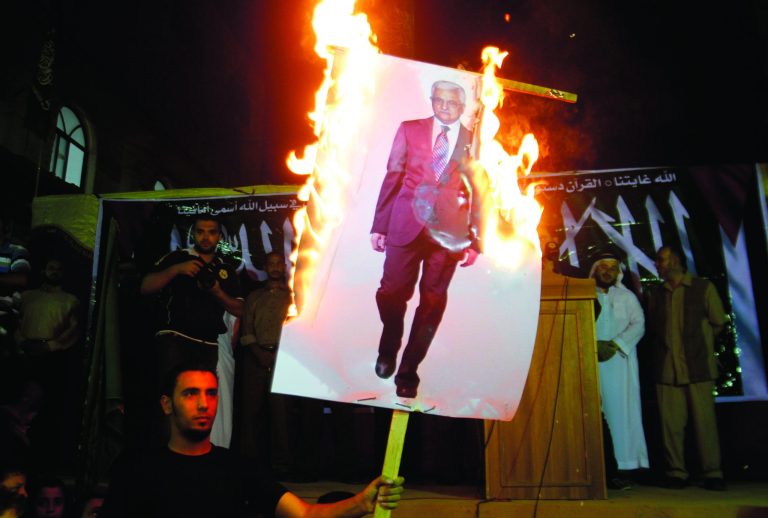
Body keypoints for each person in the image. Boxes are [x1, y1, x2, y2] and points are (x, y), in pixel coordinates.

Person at [100, 364, 404, 517]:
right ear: (167, 404)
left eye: (211, 393)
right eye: (191, 394)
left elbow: (305, 514)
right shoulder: (136, 469)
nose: (204, 404)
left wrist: (362, 502)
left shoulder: (238, 468)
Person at [370, 80, 481, 398]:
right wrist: (380, 226)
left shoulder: (474, 140)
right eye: (439, 100)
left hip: (448, 234)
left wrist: (474, 239)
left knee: (431, 304)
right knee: (391, 293)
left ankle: (408, 372)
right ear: (432, 101)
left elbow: (479, 191)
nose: (444, 107)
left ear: (462, 108)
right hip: (405, 224)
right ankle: (390, 343)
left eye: (451, 103)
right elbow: (393, 173)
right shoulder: (409, 129)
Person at [647, 245, 728, 491]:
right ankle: (676, 472)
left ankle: (712, 473)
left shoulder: (703, 288)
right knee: (670, 425)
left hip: (698, 368)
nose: (658, 265)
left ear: (676, 261)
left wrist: (699, 347)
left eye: (661, 260)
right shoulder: (657, 294)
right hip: (666, 371)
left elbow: (718, 322)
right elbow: (653, 328)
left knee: (705, 424)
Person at [140, 215, 243, 376]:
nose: (206, 237)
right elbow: (145, 287)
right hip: (176, 338)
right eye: (200, 232)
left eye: (212, 232)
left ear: (219, 237)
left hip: (209, 343)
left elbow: (241, 310)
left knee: (200, 397)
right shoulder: (178, 257)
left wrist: (217, 292)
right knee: (172, 392)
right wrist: (176, 270)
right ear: (193, 234)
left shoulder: (225, 269)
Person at [589, 249, 649, 489]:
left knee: (621, 414)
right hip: (590, 361)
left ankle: (624, 467)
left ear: (618, 273)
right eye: (603, 267)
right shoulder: (584, 295)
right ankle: (600, 467)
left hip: (619, 364)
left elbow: (639, 324)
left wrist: (615, 344)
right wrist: (593, 346)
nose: (608, 271)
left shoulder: (627, 297)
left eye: (612, 268)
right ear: (595, 270)